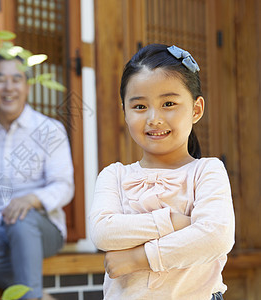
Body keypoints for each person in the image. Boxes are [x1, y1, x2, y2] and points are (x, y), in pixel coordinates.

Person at [89, 44, 235, 300]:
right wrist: (175, 223)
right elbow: (103, 232)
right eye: (140, 107)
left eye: (168, 103)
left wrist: (137, 257)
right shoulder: (114, 175)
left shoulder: (207, 171)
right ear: (125, 111)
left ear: (196, 109)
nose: (154, 118)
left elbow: (215, 237)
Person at [0, 54, 74, 300]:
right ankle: (36, 295)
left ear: (27, 87)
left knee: (20, 219)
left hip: (42, 229)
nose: (9, 87)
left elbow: (64, 185)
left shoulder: (49, 130)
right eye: (1, 79)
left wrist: (31, 199)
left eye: (16, 79)